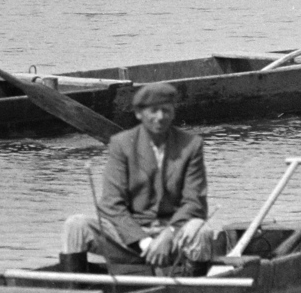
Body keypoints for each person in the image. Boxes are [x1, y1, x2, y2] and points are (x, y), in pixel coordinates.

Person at [60, 82, 218, 273]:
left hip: (172, 239)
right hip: (130, 240)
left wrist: (168, 235)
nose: (160, 117)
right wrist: (143, 242)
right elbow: (111, 205)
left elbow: (195, 204)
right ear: (139, 114)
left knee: (200, 230)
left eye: (166, 111)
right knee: (76, 225)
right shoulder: (121, 145)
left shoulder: (191, 146)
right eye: (153, 111)